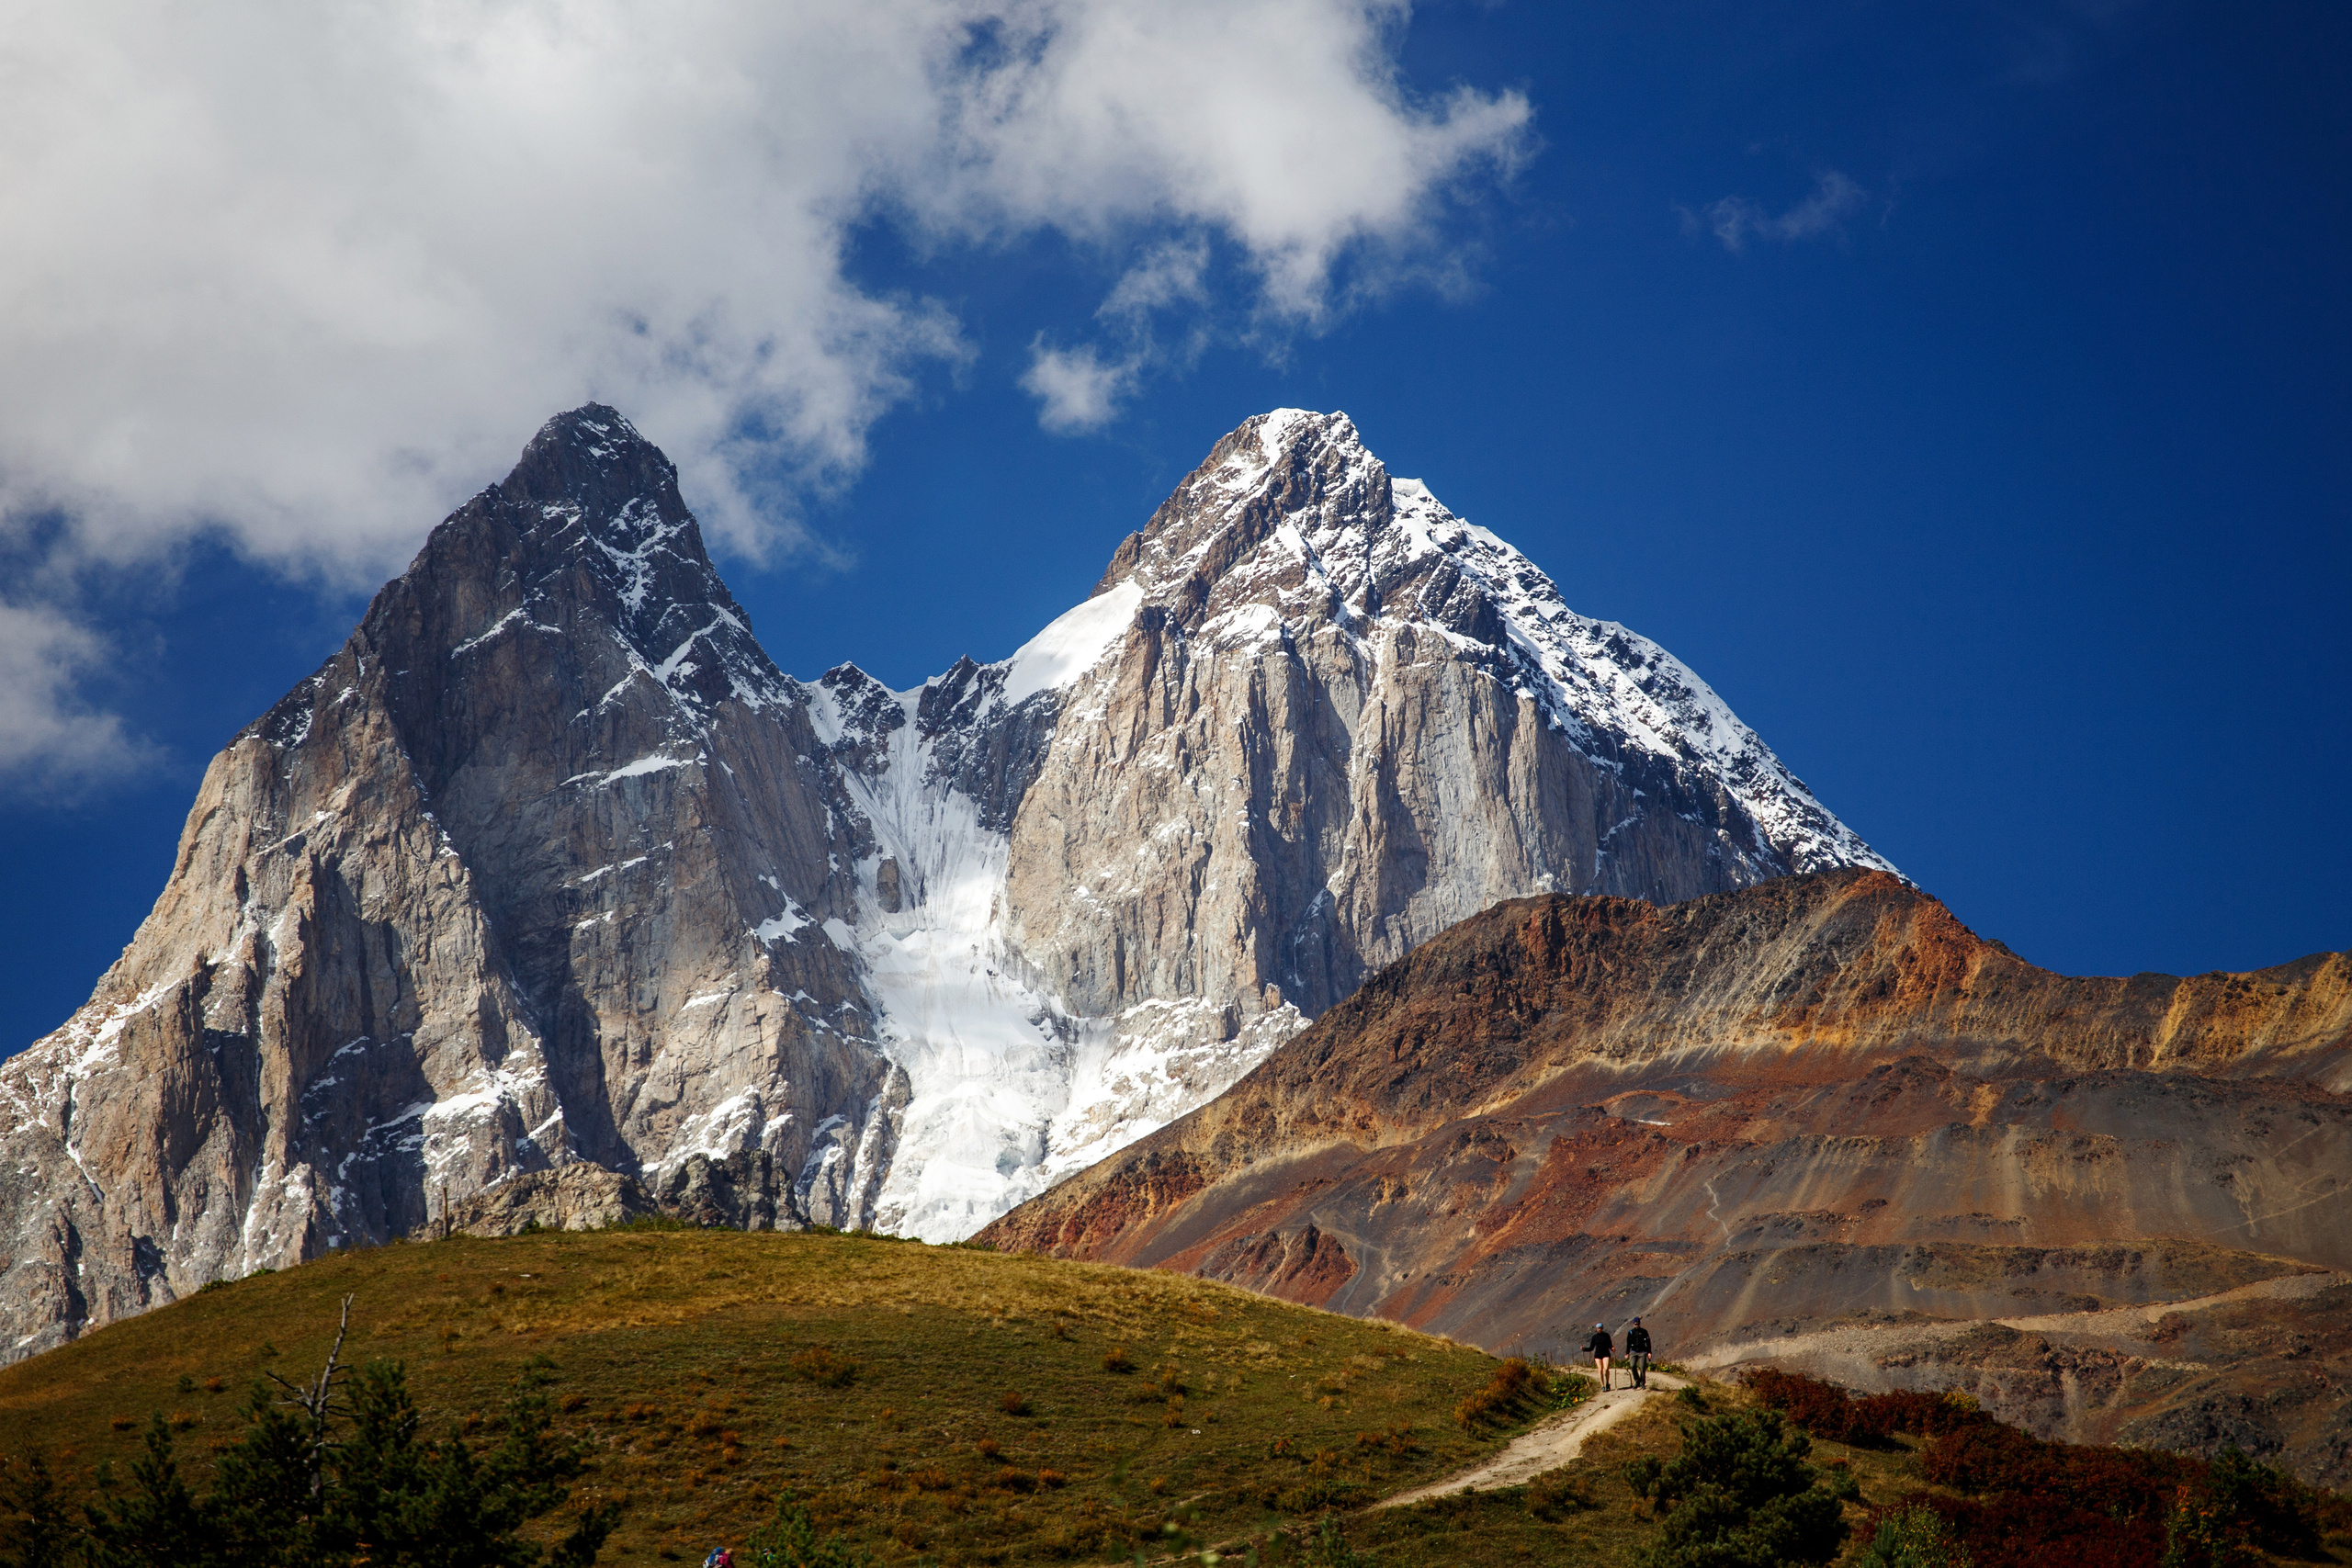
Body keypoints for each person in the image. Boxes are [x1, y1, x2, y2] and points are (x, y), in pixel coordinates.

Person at [1624, 1316, 1654, 1388]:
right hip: (1633, 1351)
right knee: (1632, 1365)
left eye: (1637, 1324)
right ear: (1633, 1324)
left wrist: (1649, 1352)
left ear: (1639, 1324)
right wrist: (1627, 1353)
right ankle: (1637, 1380)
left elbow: (1648, 1342)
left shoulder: (1644, 1332)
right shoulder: (1631, 1332)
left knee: (1642, 1367)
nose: (1636, 1325)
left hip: (1643, 1351)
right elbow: (1628, 1343)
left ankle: (1642, 1382)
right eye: (1635, 1324)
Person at [1586, 1321, 1614, 1391]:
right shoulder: (1594, 1337)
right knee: (1600, 1369)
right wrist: (1584, 1349)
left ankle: (1607, 1383)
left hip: (1606, 1354)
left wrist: (1612, 1348)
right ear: (1596, 1329)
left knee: (1606, 1368)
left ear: (1602, 1328)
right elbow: (1591, 1348)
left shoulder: (1606, 1335)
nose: (1599, 1329)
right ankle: (1602, 1386)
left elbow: (1610, 1344)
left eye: (1601, 1328)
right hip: (1598, 1355)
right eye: (1598, 1328)